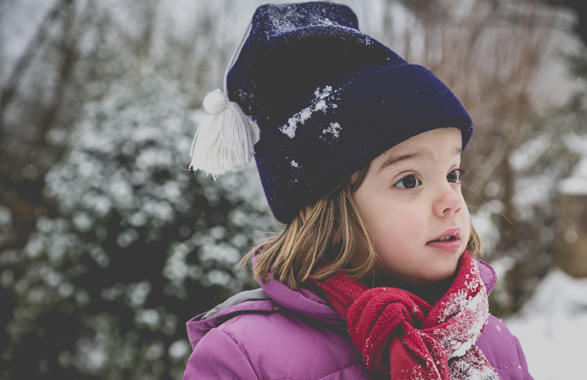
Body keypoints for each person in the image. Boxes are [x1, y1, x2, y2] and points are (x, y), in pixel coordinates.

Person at [182, 2, 532, 379]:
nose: (451, 202)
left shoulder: (493, 343)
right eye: (409, 180)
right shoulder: (246, 357)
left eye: (452, 174)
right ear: (323, 211)